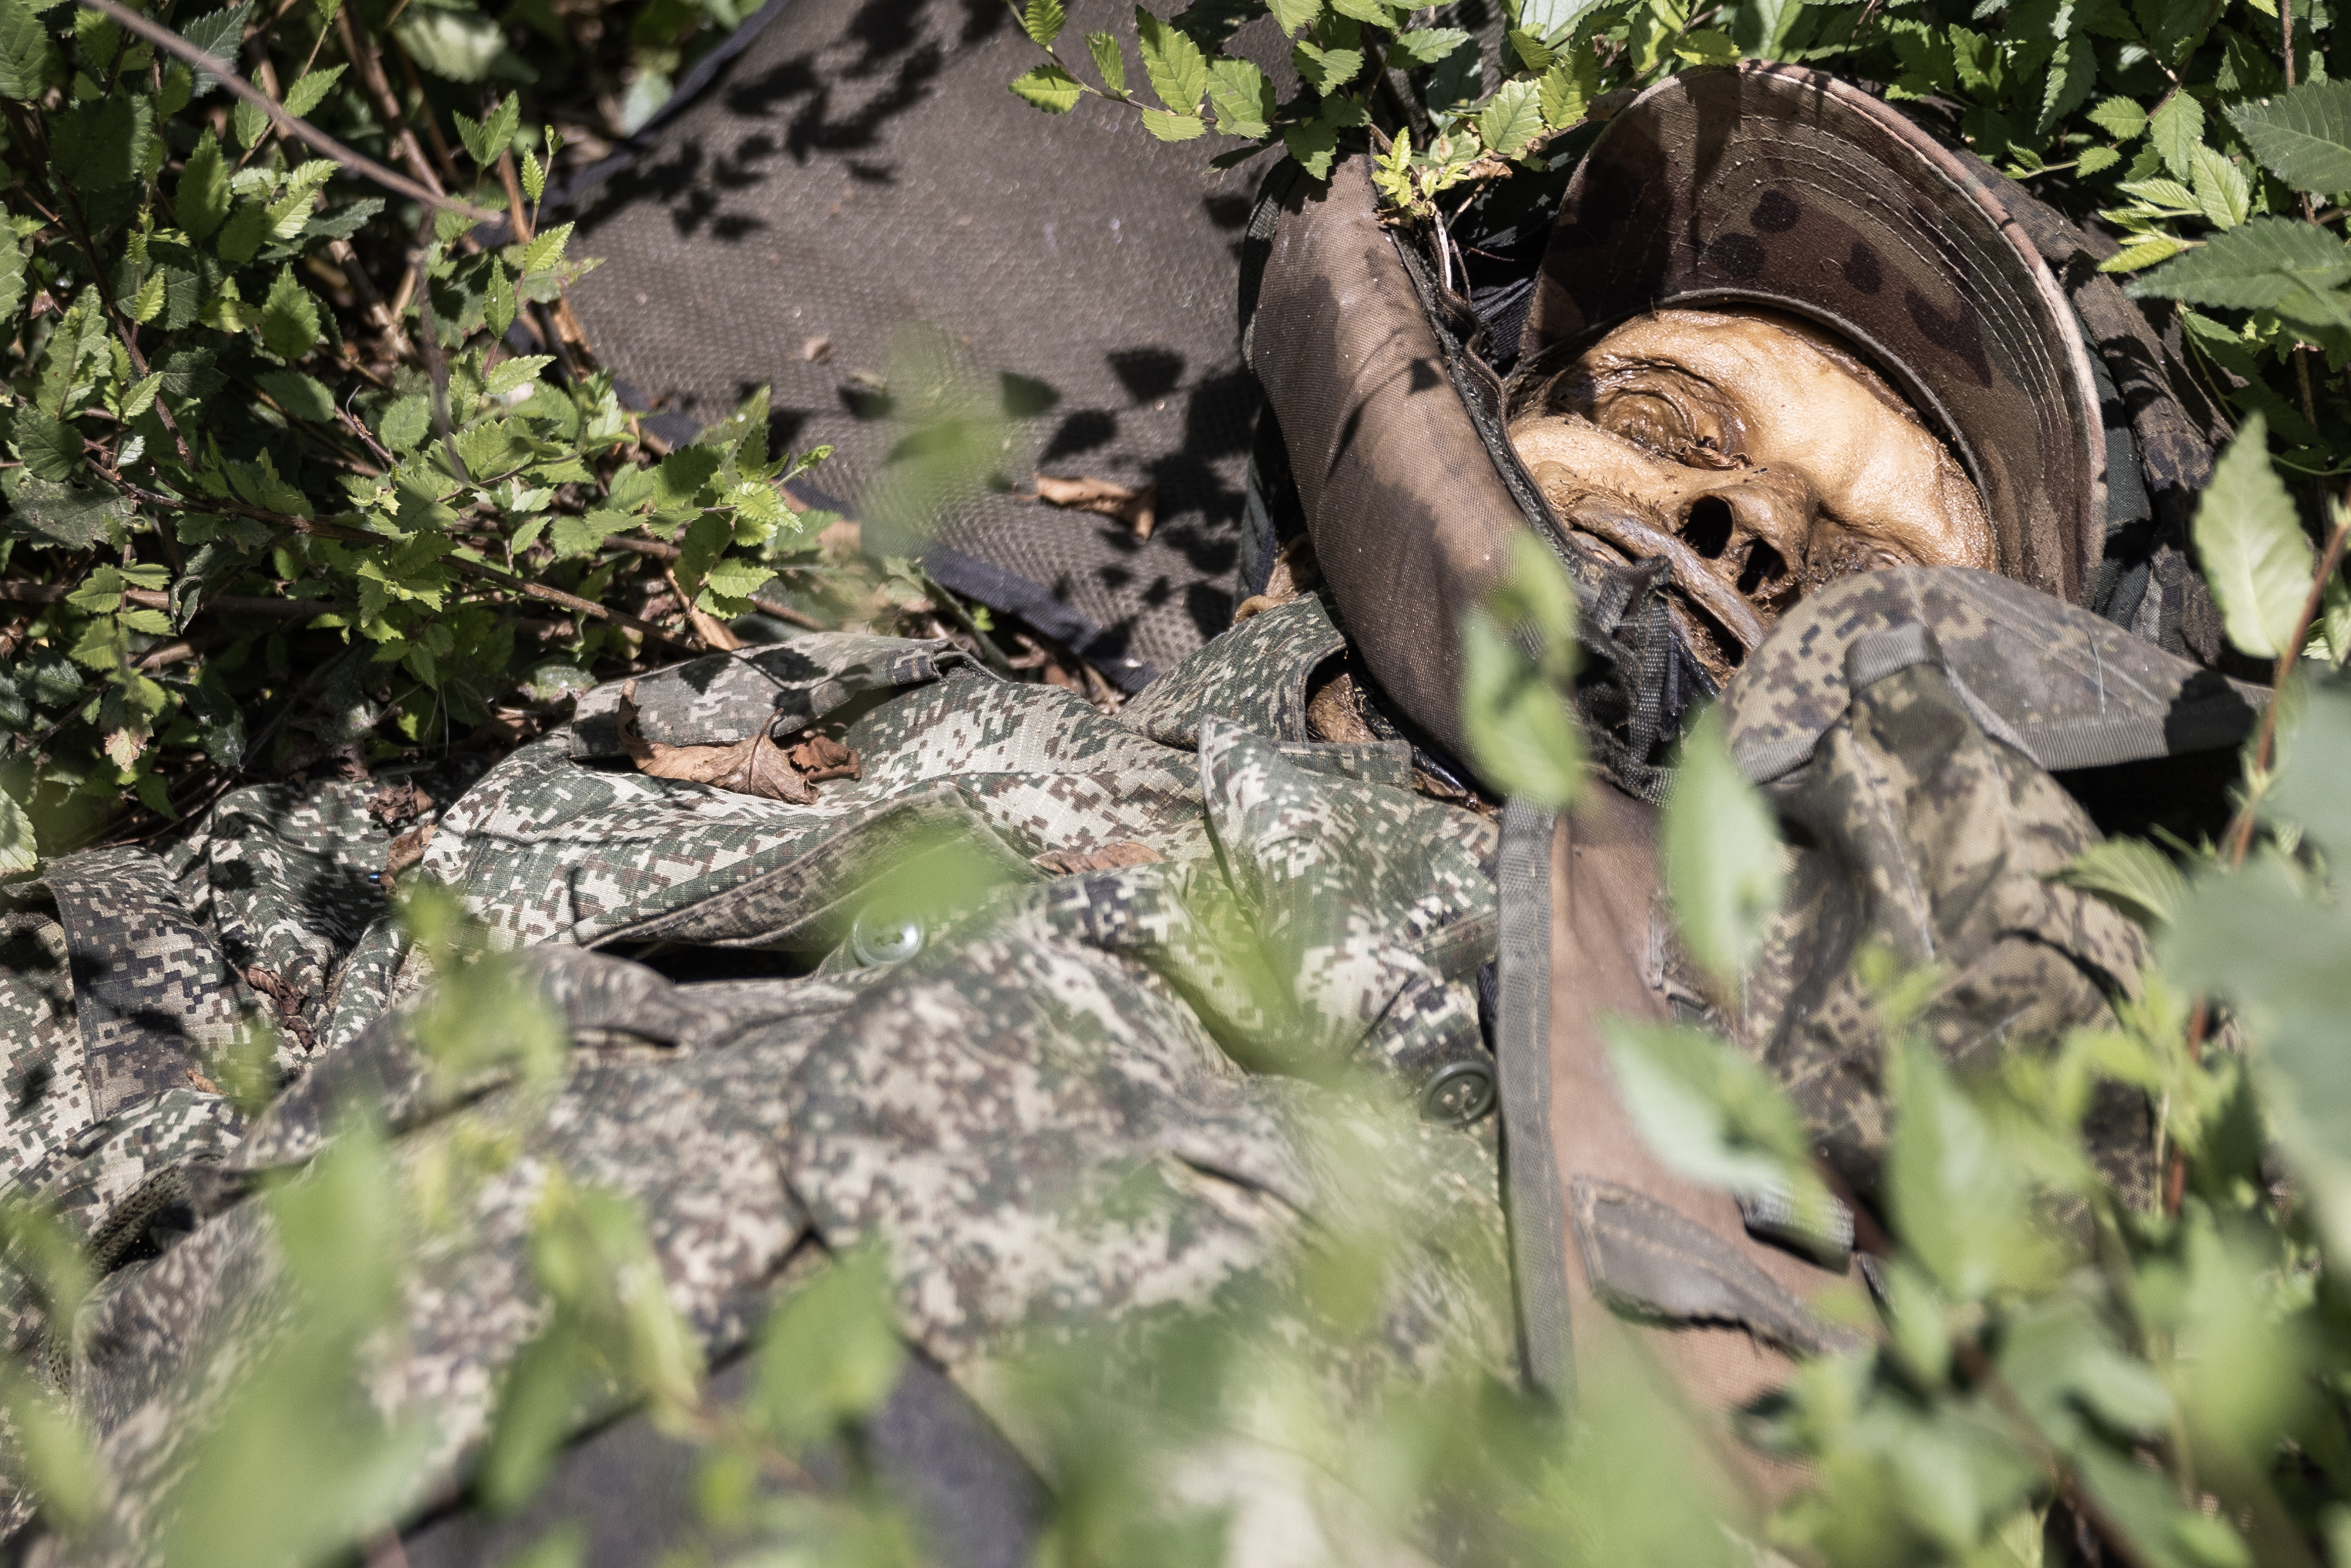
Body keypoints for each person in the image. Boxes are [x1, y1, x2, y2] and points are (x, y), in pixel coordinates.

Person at [0, 60, 2260, 1567]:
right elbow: (192, 974)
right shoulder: (838, 723)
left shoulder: (1911, 1175)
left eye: (1866, 572)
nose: (1731, 525)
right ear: (1471, 393)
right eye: (1667, 415)